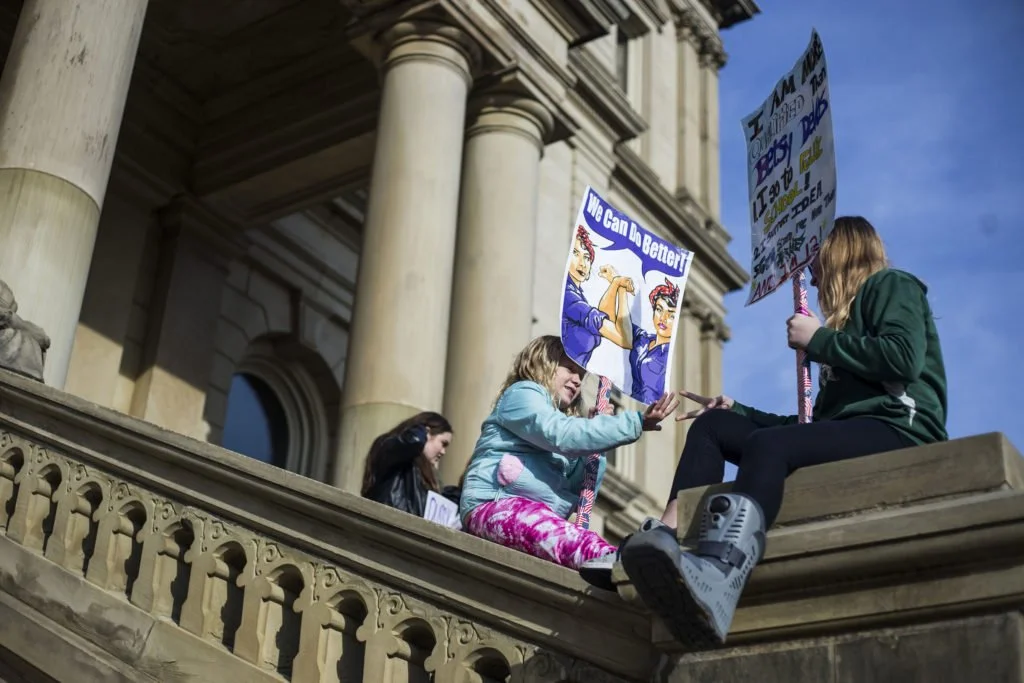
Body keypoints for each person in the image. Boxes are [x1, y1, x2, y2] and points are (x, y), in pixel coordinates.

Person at [609, 216, 948, 648]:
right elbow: (814, 430)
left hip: (900, 430)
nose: (811, 278)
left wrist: (820, 339)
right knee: (715, 426)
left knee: (768, 445)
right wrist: (739, 409)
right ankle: (666, 537)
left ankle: (723, 572)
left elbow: (903, 359)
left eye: (816, 265)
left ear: (839, 257)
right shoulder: (838, 339)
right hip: (857, 432)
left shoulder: (892, 285)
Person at [459, 335, 678, 572]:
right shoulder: (522, 394)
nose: (577, 381)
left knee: (574, 542)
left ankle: (623, 563)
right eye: (570, 370)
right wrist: (632, 423)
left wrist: (595, 442)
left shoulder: (566, 421)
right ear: (543, 362)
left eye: (582, 376)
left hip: (538, 514)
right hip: (494, 505)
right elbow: (560, 434)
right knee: (574, 544)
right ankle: (628, 564)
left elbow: (577, 488)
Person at [562, 226, 633, 365]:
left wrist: (616, 284)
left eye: (587, 257)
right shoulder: (570, 298)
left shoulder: (578, 296)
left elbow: (606, 318)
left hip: (573, 378)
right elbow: (625, 340)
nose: (582, 263)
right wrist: (621, 289)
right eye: (575, 253)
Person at [361, 412, 453, 518]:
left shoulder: (427, 473)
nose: (443, 452)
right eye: (443, 443)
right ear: (427, 433)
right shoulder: (390, 448)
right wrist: (420, 433)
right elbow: (412, 442)